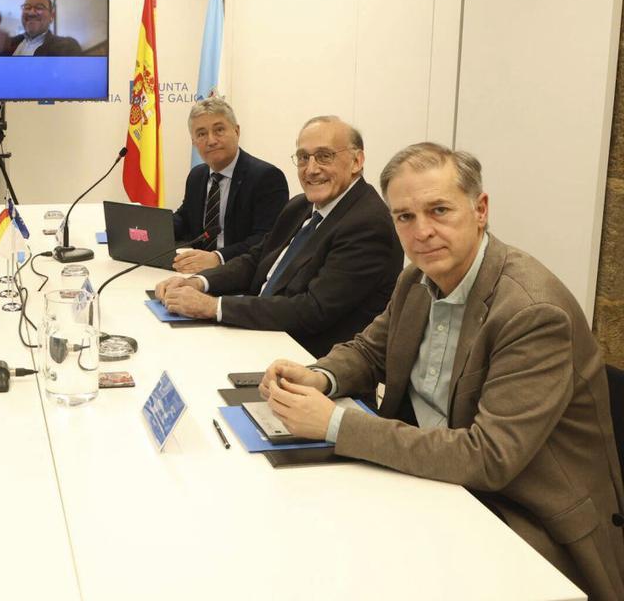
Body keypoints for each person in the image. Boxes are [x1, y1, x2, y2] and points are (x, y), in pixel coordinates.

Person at [260, 143, 624, 599]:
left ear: (480, 209)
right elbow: (370, 352)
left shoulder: (533, 312)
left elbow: (488, 458)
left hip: (521, 515)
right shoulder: (416, 279)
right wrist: (318, 376)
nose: (422, 232)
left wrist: (334, 423)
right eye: (405, 217)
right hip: (431, 482)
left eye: (439, 210)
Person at [156, 115, 401, 357]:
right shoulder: (301, 206)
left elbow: (312, 310)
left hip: (307, 362)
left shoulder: (367, 224)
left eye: (325, 156)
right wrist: (199, 282)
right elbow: (256, 259)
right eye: (304, 158)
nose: (312, 169)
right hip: (262, 335)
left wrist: (212, 306)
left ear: (357, 161)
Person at [170, 97, 288, 272]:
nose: (211, 140)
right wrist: (150, 223)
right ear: (194, 142)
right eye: (201, 134)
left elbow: (266, 239)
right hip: (196, 272)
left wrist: (218, 258)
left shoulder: (267, 177)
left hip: (241, 274)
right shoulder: (197, 175)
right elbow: (185, 219)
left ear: (236, 131)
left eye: (219, 130)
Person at [2, 0, 82, 56]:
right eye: (27, 7)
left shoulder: (67, 47)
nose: (31, 13)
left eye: (39, 7)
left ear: (52, 16)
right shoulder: (7, 44)